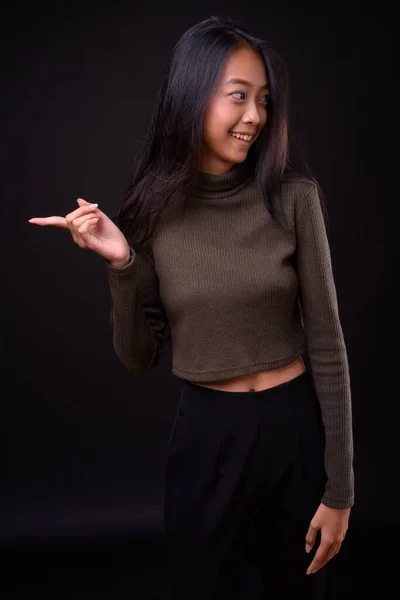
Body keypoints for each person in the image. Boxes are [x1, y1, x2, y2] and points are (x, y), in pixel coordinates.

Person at [28, 15, 354, 600]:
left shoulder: (295, 197)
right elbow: (139, 358)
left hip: (294, 431)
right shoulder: (154, 212)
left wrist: (341, 492)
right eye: (238, 97)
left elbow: (328, 345)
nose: (255, 116)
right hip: (208, 437)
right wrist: (123, 263)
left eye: (263, 100)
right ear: (191, 95)